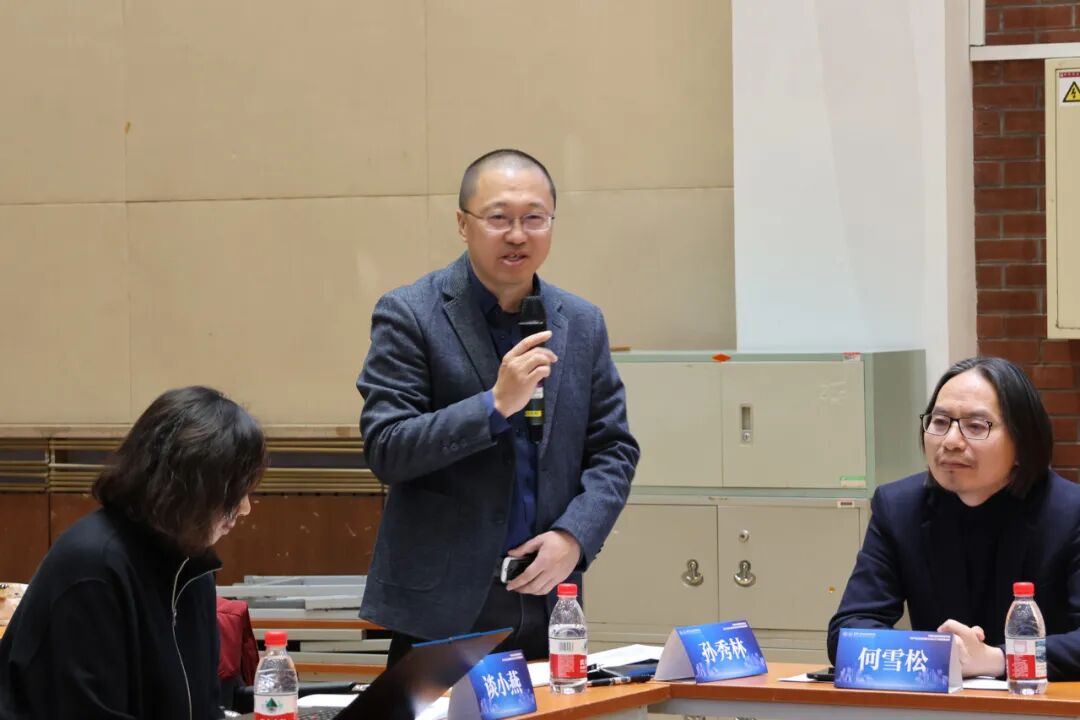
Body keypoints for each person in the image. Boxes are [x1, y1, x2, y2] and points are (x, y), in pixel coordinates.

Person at [357, 148, 639, 664]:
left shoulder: (581, 322)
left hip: (548, 599)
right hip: (441, 610)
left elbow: (613, 449)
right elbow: (387, 448)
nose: (517, 235)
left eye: (534, 218)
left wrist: (574, 537)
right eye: (499, 218)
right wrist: (494, 404)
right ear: (463, 224)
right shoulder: (410, 314)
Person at [0, 386, 267, 719]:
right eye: (234, 492)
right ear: (188, 486)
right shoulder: (92, 567)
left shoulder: (191, 568)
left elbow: (202, 708)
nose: (245, 508)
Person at [827, 356, 1080, 680]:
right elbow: (848, 632)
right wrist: (937, 652)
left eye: (976, 426)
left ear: (1022, 442)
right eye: (940, 422)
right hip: (939, 701)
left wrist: (998, 659)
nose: (950, 441)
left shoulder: (1069, 513)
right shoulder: (898, 508)